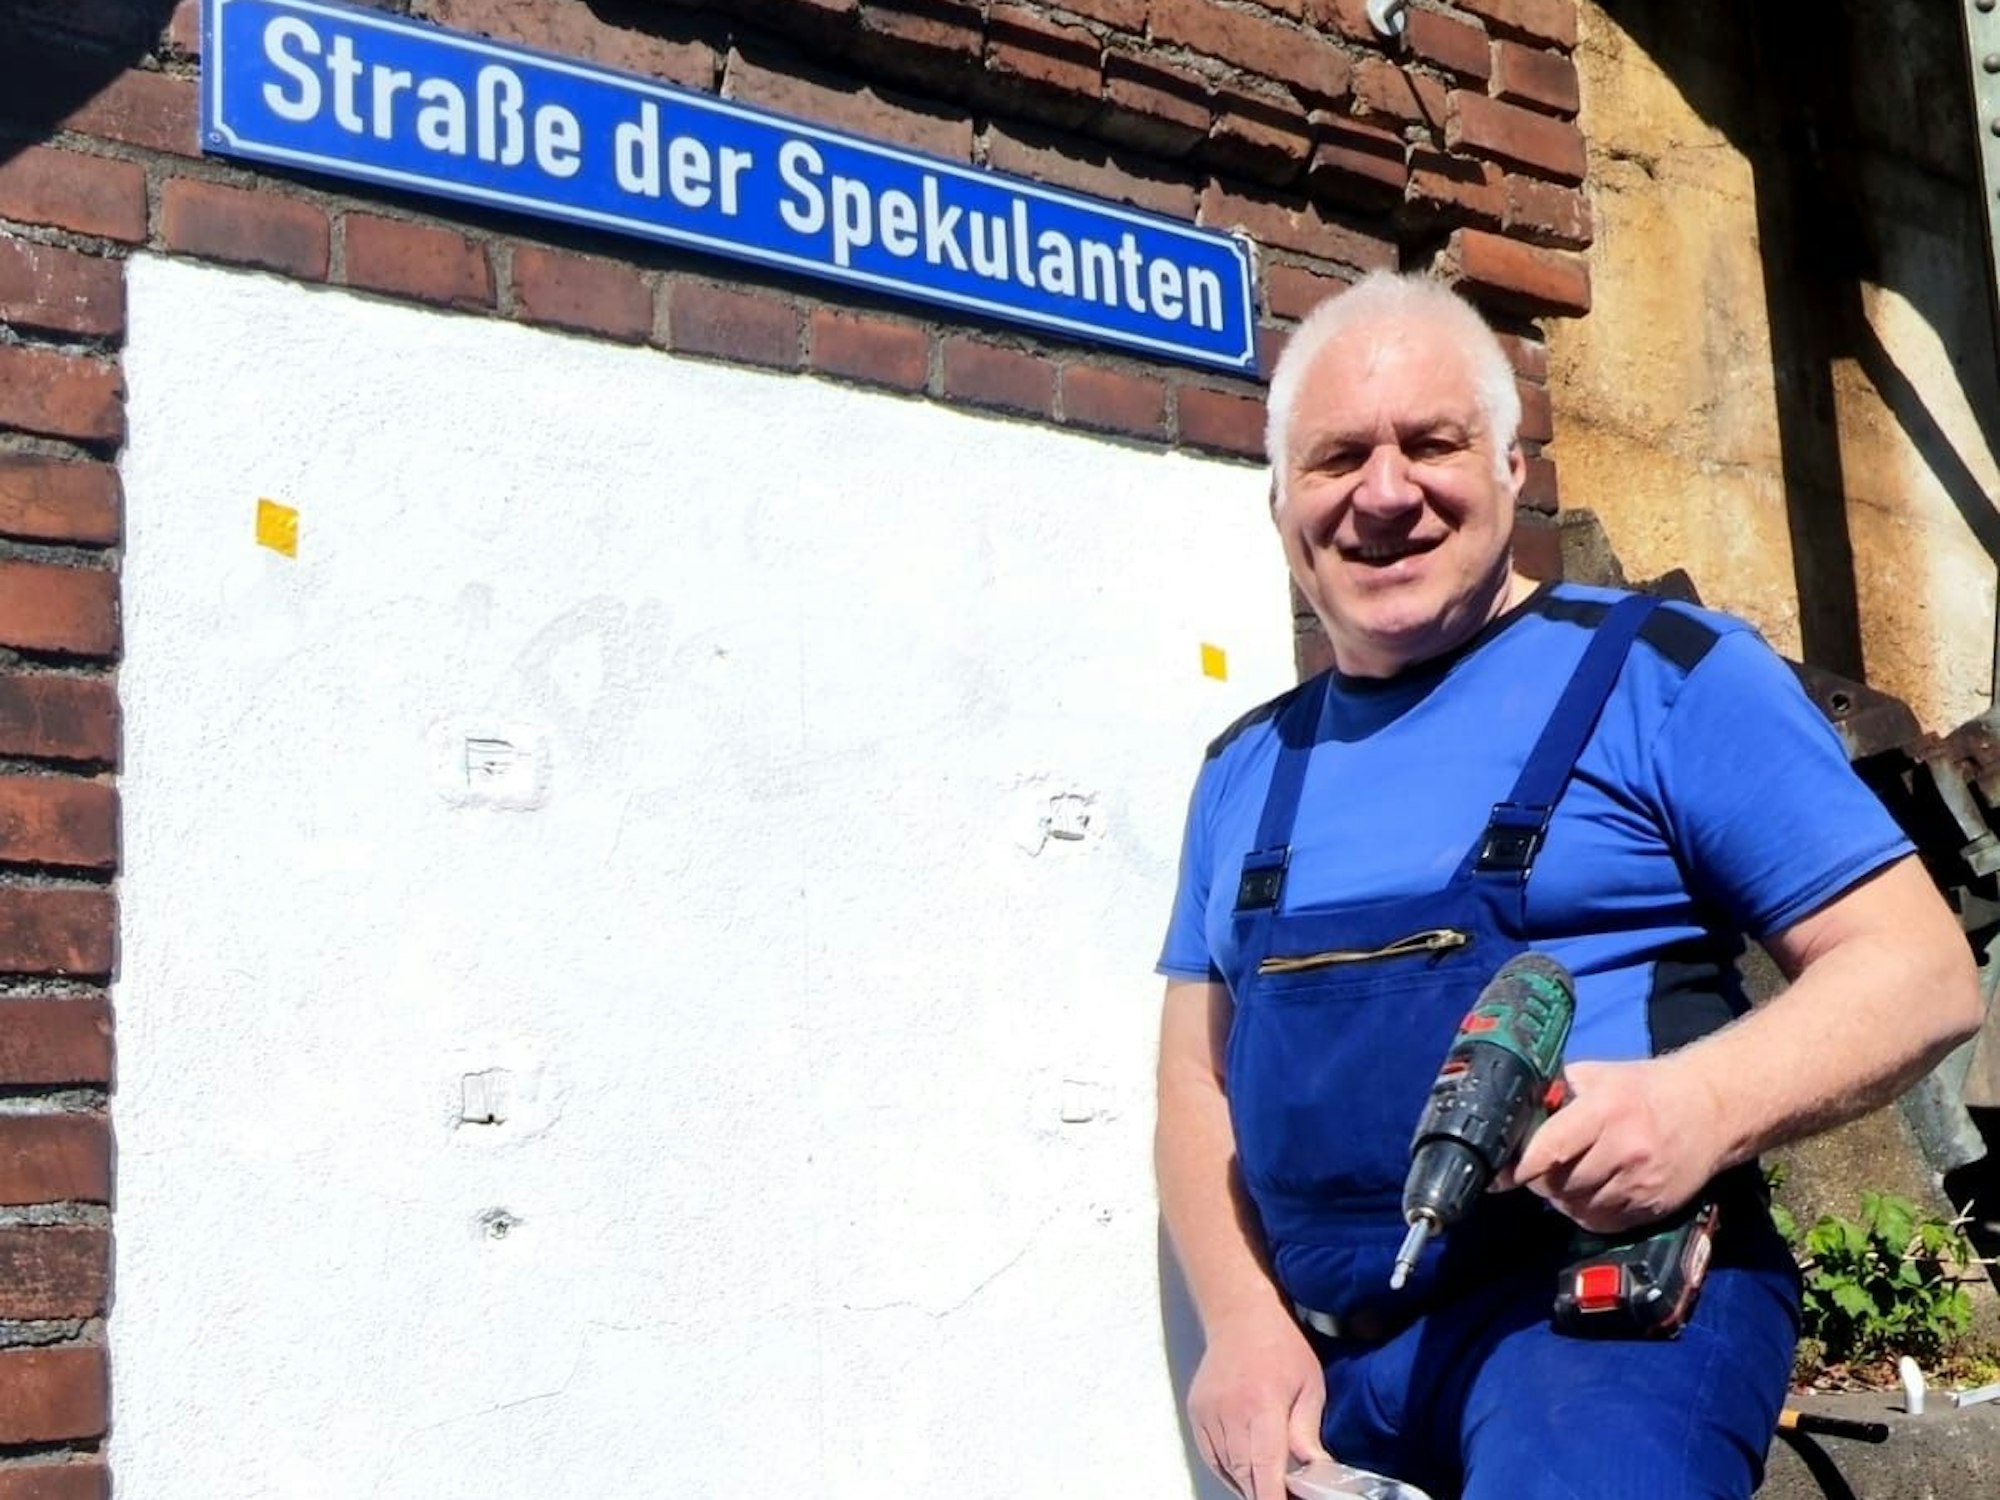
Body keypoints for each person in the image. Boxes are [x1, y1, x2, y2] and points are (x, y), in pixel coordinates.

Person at [1154, 270, 1983, 1500]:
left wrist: (1698, 1105)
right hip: (1334, 1371)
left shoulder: (1663, 676)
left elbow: (1917, 969)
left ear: (1507, 467)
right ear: (1281, 501)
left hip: (1599, 1329)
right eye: (1335, 458)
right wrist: (1239, 1323)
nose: (1383, 492)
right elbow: (1194, 1081)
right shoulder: (1243, 771)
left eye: (1429, 444)